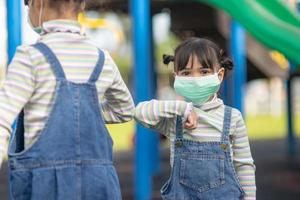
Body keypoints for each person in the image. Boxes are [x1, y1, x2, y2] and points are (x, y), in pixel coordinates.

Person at [0, 0, 134, 199]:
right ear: (82, 5)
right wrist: (88, 113)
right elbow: (125, 110)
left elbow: (2, 120)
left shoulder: (30, 57)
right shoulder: (102, 59)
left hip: (44, 187)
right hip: (99, 185)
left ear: (39, 3)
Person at [135, 37, 256, 199]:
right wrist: (181, 108)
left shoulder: (233, 117)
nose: (195, 79)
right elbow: (138, 112)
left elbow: (244, 165)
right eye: (186, 73)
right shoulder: (174, 118)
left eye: (204, 72)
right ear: (176, 77)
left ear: (219, 75)